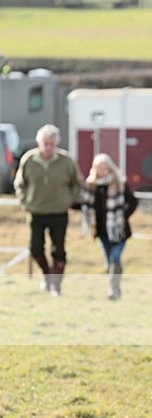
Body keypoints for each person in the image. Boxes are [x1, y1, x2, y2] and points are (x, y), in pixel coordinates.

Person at [14, 124, 83, 296]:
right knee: (35, 248)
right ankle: (47, 275)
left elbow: (77, 182)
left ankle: (56, 285)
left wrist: (71, 199)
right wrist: (24, 201)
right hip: (36, 211)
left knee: (58, 249)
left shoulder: (66, 160)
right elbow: (20, 183)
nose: (48, 147)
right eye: (45, 143)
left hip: (59, 212)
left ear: (56, 144)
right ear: (39, 142)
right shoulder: (29, 159)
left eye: (52, 144)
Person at [81, 153, 138, 300]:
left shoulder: (120, 184)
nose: (102, 171)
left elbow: (133, 202)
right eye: (99, 168)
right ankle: (114, 288)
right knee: (109, 263)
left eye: (104, 168)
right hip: (102, 231)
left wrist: (123, 217)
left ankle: (114, 291)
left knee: (115, 258)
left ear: (110, 168)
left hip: (119, 230)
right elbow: (85, 205)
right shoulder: (91, 186)